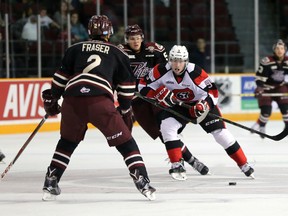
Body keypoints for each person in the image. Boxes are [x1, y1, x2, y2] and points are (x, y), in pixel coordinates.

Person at [41, 15, 156, 201]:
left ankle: (51, 181)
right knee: (126, 143)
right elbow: (127, 89)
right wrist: (125, 110)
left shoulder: (74, 48)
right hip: (99, 101)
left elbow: (60, 79)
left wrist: (53, 99)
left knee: (67, 142)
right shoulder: (118, 53)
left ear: (89, 32)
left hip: (72, 101)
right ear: (109, 33)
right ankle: (141, 179)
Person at [138, 45, 255, 179]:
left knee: (220, 133)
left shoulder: (195, 72)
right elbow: (142, 87)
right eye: (174, 60)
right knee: (167, 127)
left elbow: (213, 92)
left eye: (180, 61)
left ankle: (244, 164)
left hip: (200, 105)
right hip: (177, 106)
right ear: (169, 60)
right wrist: (155, 93)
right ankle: (176, 164)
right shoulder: (160, 70)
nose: (177, 64)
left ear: (186, 61)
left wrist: (204, 104)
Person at [117, 25, 209, 180]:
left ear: (142, 37)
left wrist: (164, 91)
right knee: (162, 135)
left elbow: (169, 69)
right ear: (127, 40)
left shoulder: (155, 50)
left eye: (138, 38)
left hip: (157, 96)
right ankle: (191, 160)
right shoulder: (120, 53)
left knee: (167, 130)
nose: (135, 41)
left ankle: (188, 161)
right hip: (137, 101)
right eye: (132, 39)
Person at [252, 39, 288, 138]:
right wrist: (259, 88)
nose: (279, 50)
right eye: (277, 48)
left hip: (280, 86)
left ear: (285, 50)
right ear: (274, 50)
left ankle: (287, 128)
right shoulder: (267, 61)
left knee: (286, 109)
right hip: (266, 87)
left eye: (282, 48)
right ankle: (262, 127)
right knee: (266, 111)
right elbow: (259, 77)